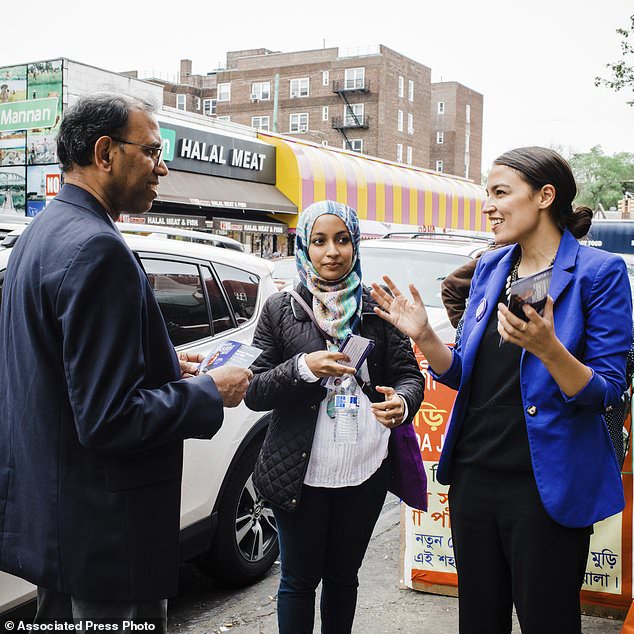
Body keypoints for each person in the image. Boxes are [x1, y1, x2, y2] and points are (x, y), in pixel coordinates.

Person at [0, 93, 252, 630]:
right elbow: (109, 418)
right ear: (105, 152)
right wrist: (211, 391)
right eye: (154, 152)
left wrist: (163, 369)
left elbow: (57, 374)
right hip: (108, 541)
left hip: (60, 530)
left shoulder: (38, 236)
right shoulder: (97, 249)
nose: (163, 168)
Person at [370, 146, 633, 634]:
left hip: (545, 486)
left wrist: (550, 349)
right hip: (473, 476)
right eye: (485, 194)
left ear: (544, 196)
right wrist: (425, 335)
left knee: (547, 621)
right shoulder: (492, 267)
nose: (487, 205)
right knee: (479, 620)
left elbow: (608, 392)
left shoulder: (600, 274)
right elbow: (464, 373)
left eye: (500, 193)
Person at [245, 200, 425, 634]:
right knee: (298, 581)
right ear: (304, 246)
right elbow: (253, 388)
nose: (332, 252)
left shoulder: (377, 308)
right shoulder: (280, 308)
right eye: (319, 241)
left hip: (364, 470)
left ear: (355, 244)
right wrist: (305, 367)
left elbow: (408, 375)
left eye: (342, 240)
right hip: (298, 474)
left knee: (343, 578)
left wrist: (402, 402)